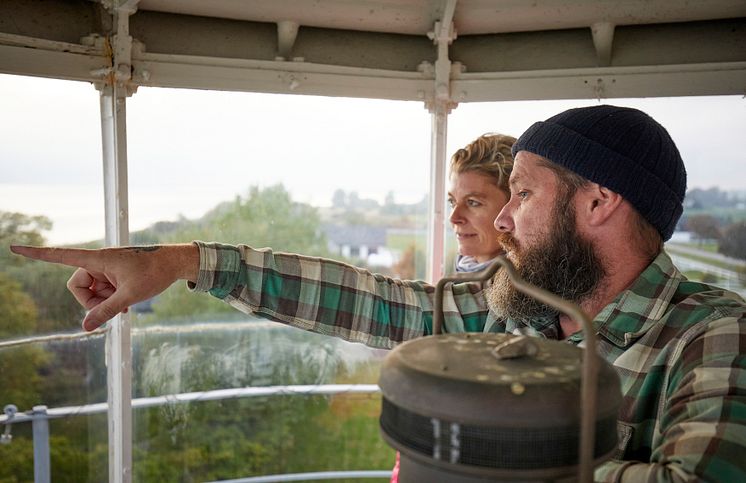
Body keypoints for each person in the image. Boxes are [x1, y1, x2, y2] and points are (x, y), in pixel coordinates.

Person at [11, 105, 746, 481]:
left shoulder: (712, 336)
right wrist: (181, 262)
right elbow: (378, 303)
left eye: (522, 192)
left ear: (597, 205)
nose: (507, 218)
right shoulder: (516, 307)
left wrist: (481, 439)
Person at [448, 133, 515, 273]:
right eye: (452, 202)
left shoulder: (526, 286)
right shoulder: (464, 269)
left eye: (473, 203)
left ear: (513, 208)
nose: (454, 218)